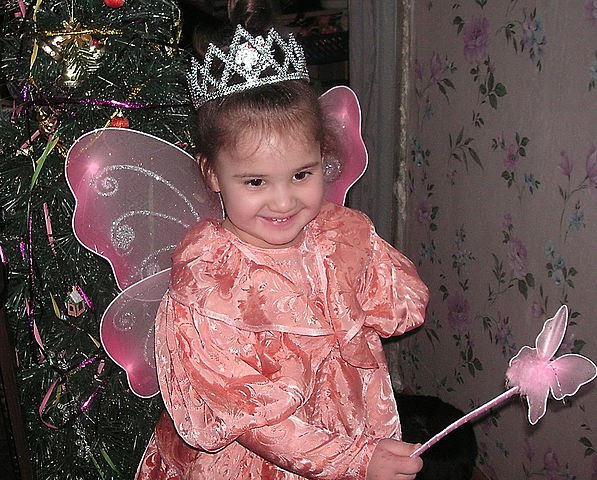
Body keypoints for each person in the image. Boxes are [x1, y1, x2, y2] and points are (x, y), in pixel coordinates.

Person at [135, 1, 429, 478]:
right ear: (212, 174)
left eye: (301, 174)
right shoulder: (211, 280)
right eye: (256, 182)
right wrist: (355, 461)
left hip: (351, 426)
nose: (283, 201)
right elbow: (248, 418)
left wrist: (356, 274)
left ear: (322, 159)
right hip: (258, 460)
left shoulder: (341, 234)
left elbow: (400, 308)